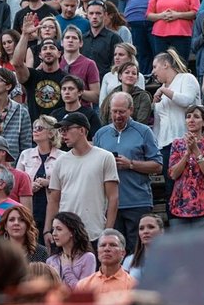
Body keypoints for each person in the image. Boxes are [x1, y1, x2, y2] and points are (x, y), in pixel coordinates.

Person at [92, 91, 161, 250]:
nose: (117, 115)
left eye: (121, 111)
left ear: (131, 110)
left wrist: (130, 164)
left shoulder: (143, 132)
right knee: (114, 250)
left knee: (137, 251)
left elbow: (158, 166)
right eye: (114, 111)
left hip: (137, 201)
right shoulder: (101, 134)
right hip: (110, 205)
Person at [44, 112, 119, 244]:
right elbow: (54, 200)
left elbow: (113, 198)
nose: (63, 134)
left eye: (66, 129)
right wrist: (48, 230)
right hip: (65, 234)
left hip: (94, 233)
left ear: (82, 130)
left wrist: (108, 232)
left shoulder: (105, 157)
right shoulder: (60, 161)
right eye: (61, 130)